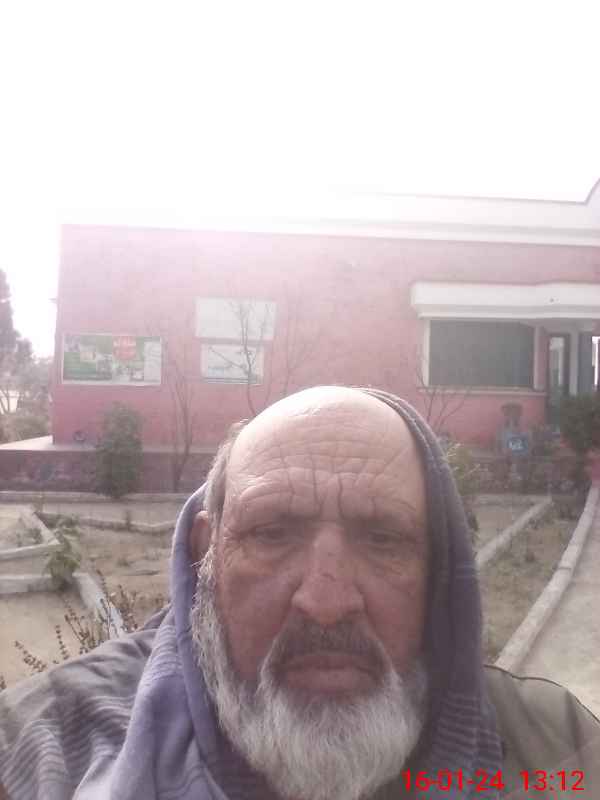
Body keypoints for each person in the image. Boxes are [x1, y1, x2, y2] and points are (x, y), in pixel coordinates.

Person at [0, 386, 598, 800]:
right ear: (206, 556)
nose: (326, 602)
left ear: (439, 571)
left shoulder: (558, 751)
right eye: (270, 534)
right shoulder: (42, 746)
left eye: (383, 538)